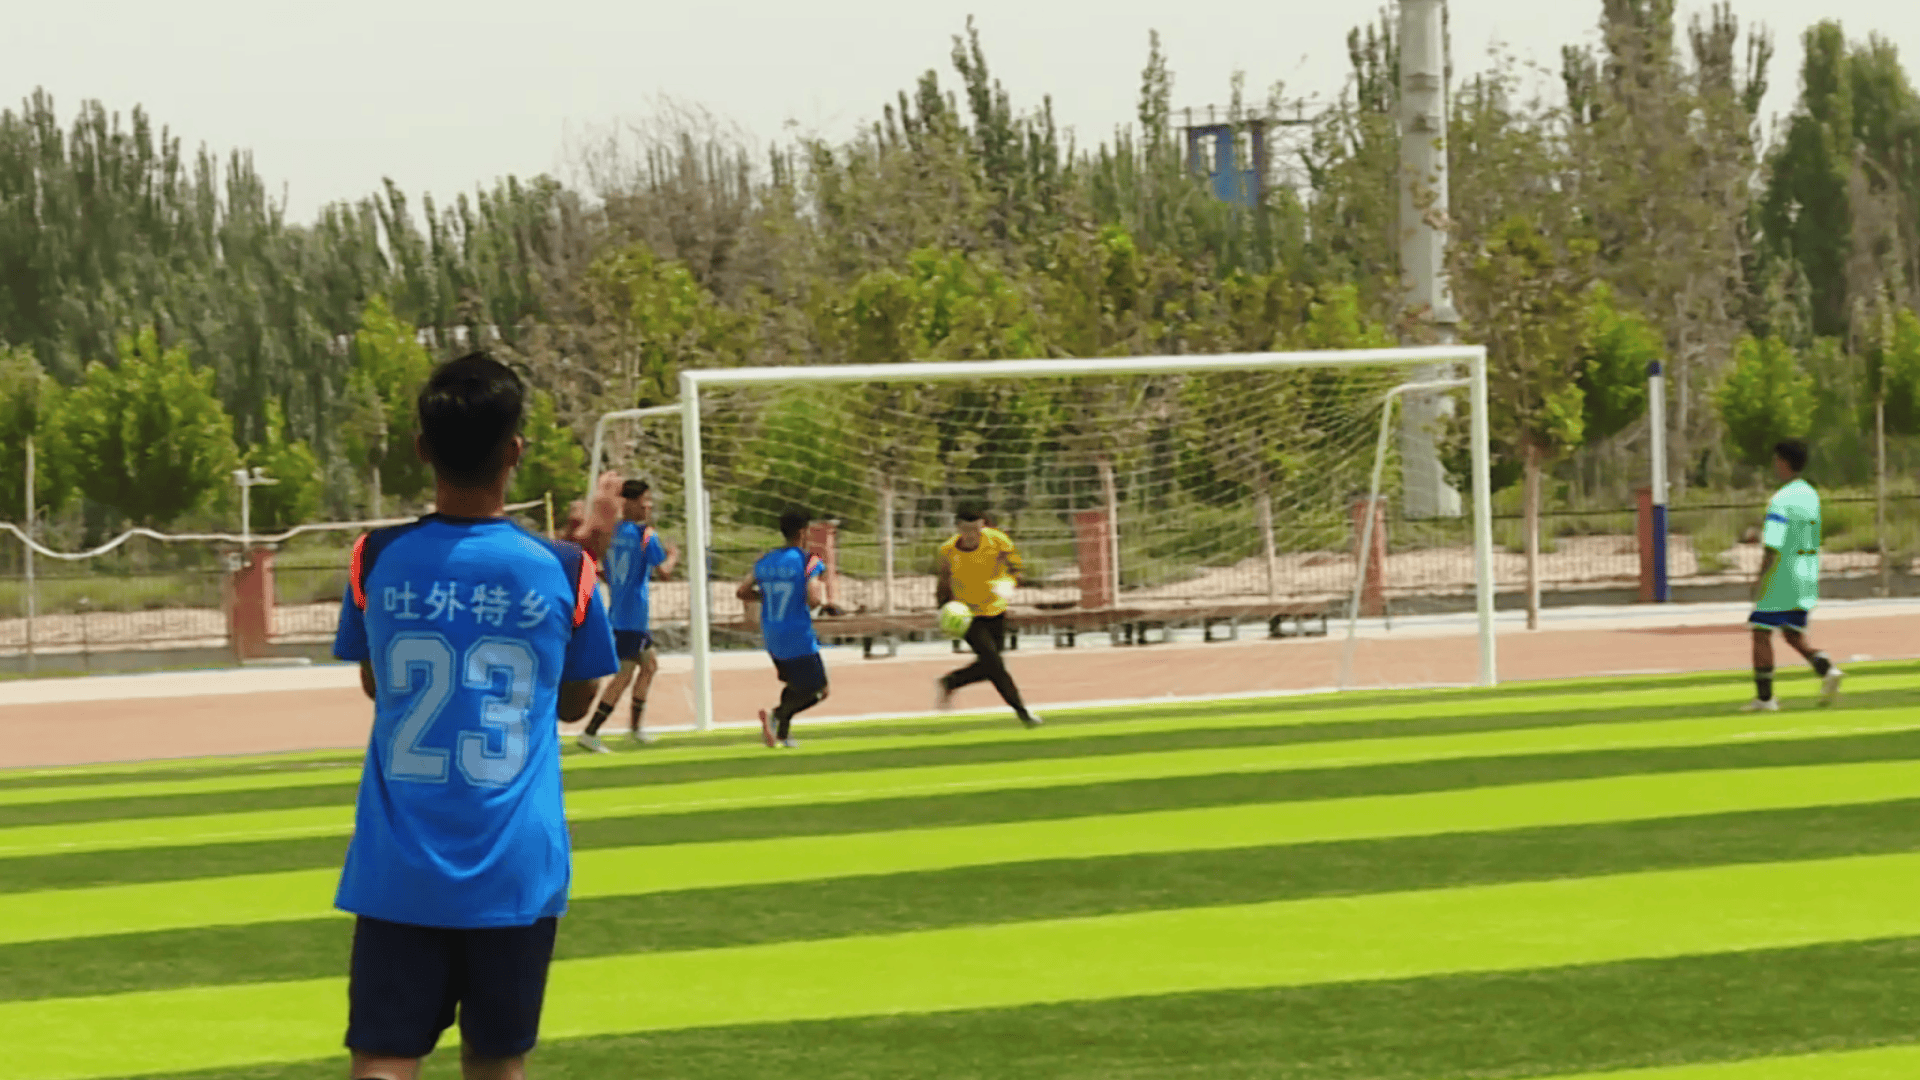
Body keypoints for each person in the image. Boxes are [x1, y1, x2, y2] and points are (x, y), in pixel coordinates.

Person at [331, 352, 620, 1080]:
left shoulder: (374, 557)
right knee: (496, 1062)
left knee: (383, 1058)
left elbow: (378, 683)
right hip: (515, 863)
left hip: (400, 862)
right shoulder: (566, 569)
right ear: (515, 451)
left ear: (421, 448)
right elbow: (575, 704)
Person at [577, 479, 679, 753]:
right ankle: (590, 732)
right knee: (624, 674)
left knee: (649, 665)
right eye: (645, 500)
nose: (649, 506)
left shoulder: (612, 533)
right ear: (630, 503)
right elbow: (664, 572)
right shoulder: (645, 535)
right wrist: (673, 555)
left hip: (622, 615)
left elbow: (604, 572)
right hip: (631, 618)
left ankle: (635, 729)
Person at [1744, 438, 1844, 712]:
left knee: (1761, 631)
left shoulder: (1781, 499)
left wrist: (1759, 576)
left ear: (1783, 462)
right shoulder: (1810, 494)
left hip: (1782, 575)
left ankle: (1765, 699)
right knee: (1792, 633)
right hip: (1806, 573)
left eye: (1776, 460)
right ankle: (1826, 669)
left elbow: (1773, 543)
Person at [935, 504, 1042, 728]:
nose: (972, 535)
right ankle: (1023, 712)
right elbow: (943, 581)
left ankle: (952, 681)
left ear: (983, 526)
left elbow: (1016, 568)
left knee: (989, 666)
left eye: (977, 530)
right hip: (967, 615)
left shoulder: (997, 541)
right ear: (958, 528)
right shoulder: (948, 551)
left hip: (996, 609)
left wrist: (1009, 582)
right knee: (995, 665)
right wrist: (942, 610)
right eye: (967, 530)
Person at [737, 508, 829, 748]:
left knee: (794, 685)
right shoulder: (808, 561)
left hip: (772, 635)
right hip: (798, 635)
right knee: (820, 690)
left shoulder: (765, 561)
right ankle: (776, 715)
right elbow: (814, 599)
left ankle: (783, 735)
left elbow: (742, 591)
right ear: (803, 532)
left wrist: (767, 597)